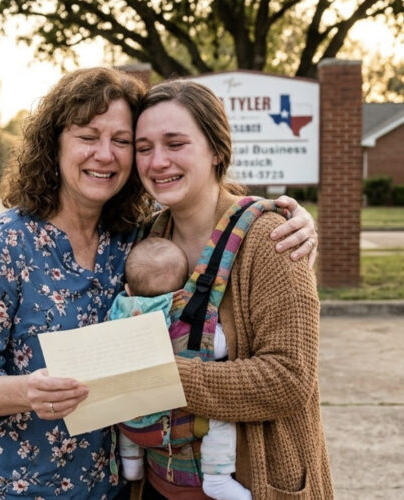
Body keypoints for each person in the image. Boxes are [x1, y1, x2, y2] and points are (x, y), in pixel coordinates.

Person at [0, 67, 318, 500]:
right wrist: (24, 391)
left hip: (112, 485)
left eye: (122, 141)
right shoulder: (6, 243)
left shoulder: (128, 239)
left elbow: (289, 370)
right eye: (88, 136)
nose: (106, 154)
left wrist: (295, 220)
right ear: (55, 144)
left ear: (216, 150)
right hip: (13, 487)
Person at [131, 79, 333, 499]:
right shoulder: (143, 239)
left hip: (251, 484)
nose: (157, 161)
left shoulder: (271, 239)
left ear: (217, 150)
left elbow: (289, 379)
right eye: (144, 147)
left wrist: (158, 375)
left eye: (175, 143)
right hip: (155, 487)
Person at [108, 238, 250, 500]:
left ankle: (131, 463)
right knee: (221, 418)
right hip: (169, 427)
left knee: (124, 404)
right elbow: (218, 347)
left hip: (133, 429)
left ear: (128, 289)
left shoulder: (117, 313)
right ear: (183, 290)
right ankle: (217, 477)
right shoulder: (181, 322)